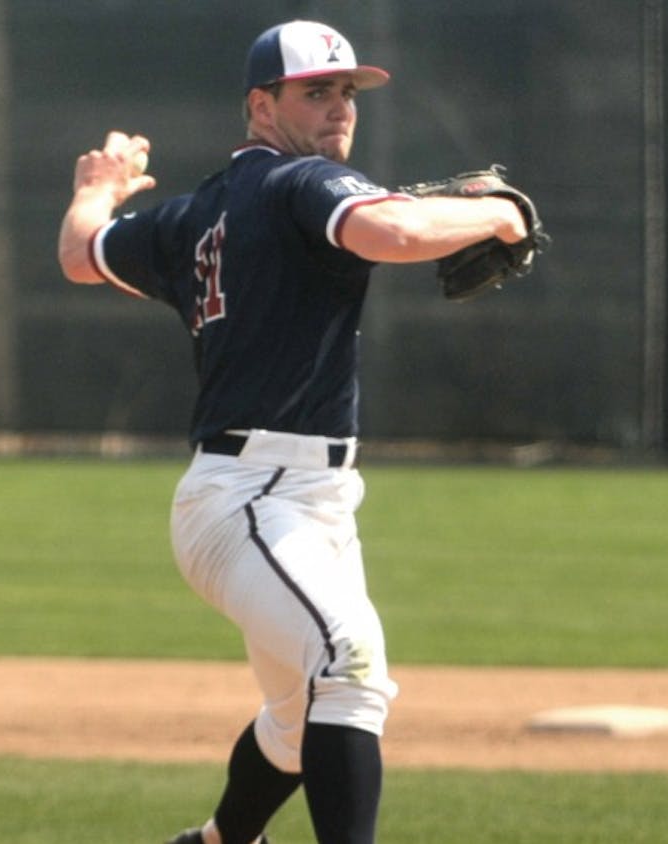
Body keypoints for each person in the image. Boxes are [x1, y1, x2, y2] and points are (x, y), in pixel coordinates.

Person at [58, 20, 528, 844]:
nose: (340, 107)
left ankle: (217, 842)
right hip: (251, 498)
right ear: (260, 104)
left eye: (347, 91)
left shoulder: (195, 215)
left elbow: (81, 253)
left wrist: (99, 190)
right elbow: (393, 232)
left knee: (293, 719)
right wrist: (496, 213)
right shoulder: (300, 182)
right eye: (316, 91)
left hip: (302, 499)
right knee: (348, 670)